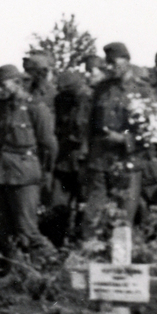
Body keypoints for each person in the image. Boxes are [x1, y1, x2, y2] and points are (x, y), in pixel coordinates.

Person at [0, 66, 57, 262]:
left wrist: (45, 172)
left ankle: (50, 264)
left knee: (27, 227)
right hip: (0, 172)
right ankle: (13, 270)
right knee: (4, 227)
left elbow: (48, 144)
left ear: (17, 82)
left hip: (25, 173)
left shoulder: (35, 108)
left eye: (3, 84)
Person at [82, 42, 144, 239]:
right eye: (106, 63)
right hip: (99, 162)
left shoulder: (142, 91)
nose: (108, 67)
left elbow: (153, 132)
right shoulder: (101, 89)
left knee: (123, 222)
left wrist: (124, 139)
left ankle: (121, 266)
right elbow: (90, 126)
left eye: (113, 62)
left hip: (128, 161)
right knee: (92, 216)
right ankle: (88, 260)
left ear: (127, 60)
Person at [47, 68, 91, 245]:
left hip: (84, 160)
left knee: (85, 207)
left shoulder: (89, 98)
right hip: (64, 160)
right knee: (58, 205)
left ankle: (81, 245)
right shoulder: (61, 100)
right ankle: (55, 244)